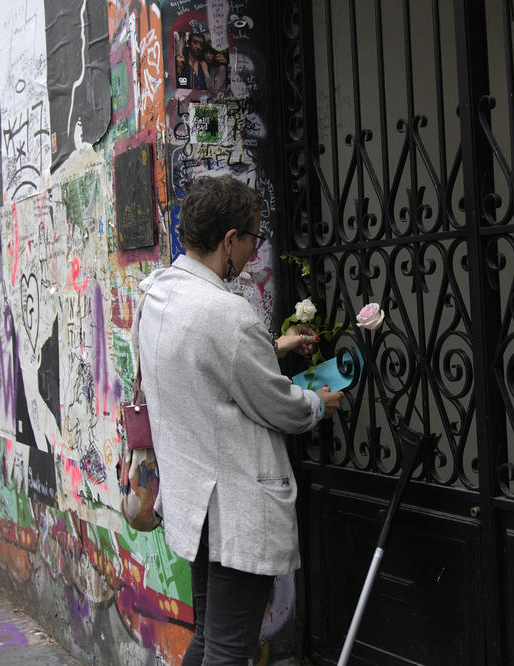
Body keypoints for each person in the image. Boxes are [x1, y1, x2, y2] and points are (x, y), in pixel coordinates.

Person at [135, 175, 342, 665]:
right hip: (233, 508)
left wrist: (274, 347)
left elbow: (205, 364)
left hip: (196, 503)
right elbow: (279, 405)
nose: (254, 250)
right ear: (230, 240)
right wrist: (317, 403)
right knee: (229, 649)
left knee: (208, 638)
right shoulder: (229, 315)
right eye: (253, 238)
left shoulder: (159, 294)